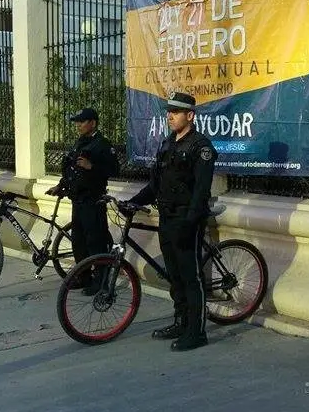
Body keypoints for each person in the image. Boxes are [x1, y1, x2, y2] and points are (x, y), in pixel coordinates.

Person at [126, 92, 218, 352]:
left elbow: (201, 191)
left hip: (186, 220)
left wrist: (190, 223)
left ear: (190, 116)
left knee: (192, 277)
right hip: (166, 218)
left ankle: (196, 331)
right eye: (168, 111)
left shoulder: (201, 147)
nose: (170, 116)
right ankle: (181, 321)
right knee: (175, 276)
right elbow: (155, 185)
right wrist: (134, 201)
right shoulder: (168, 143)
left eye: (176, 112)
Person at [46, 108, 119, 293]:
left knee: (96, 242)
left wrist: (92, 166)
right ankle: (84, 277)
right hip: (77, 200)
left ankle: (101, 282)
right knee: (79, 242)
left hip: (93, 201)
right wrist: (60, 186)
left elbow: (114, 170)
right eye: (77, 121)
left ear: (93, 123)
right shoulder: (80, 142)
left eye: (82, 121)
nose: (78, 125)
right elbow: (72, 169)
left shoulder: (102, 144)